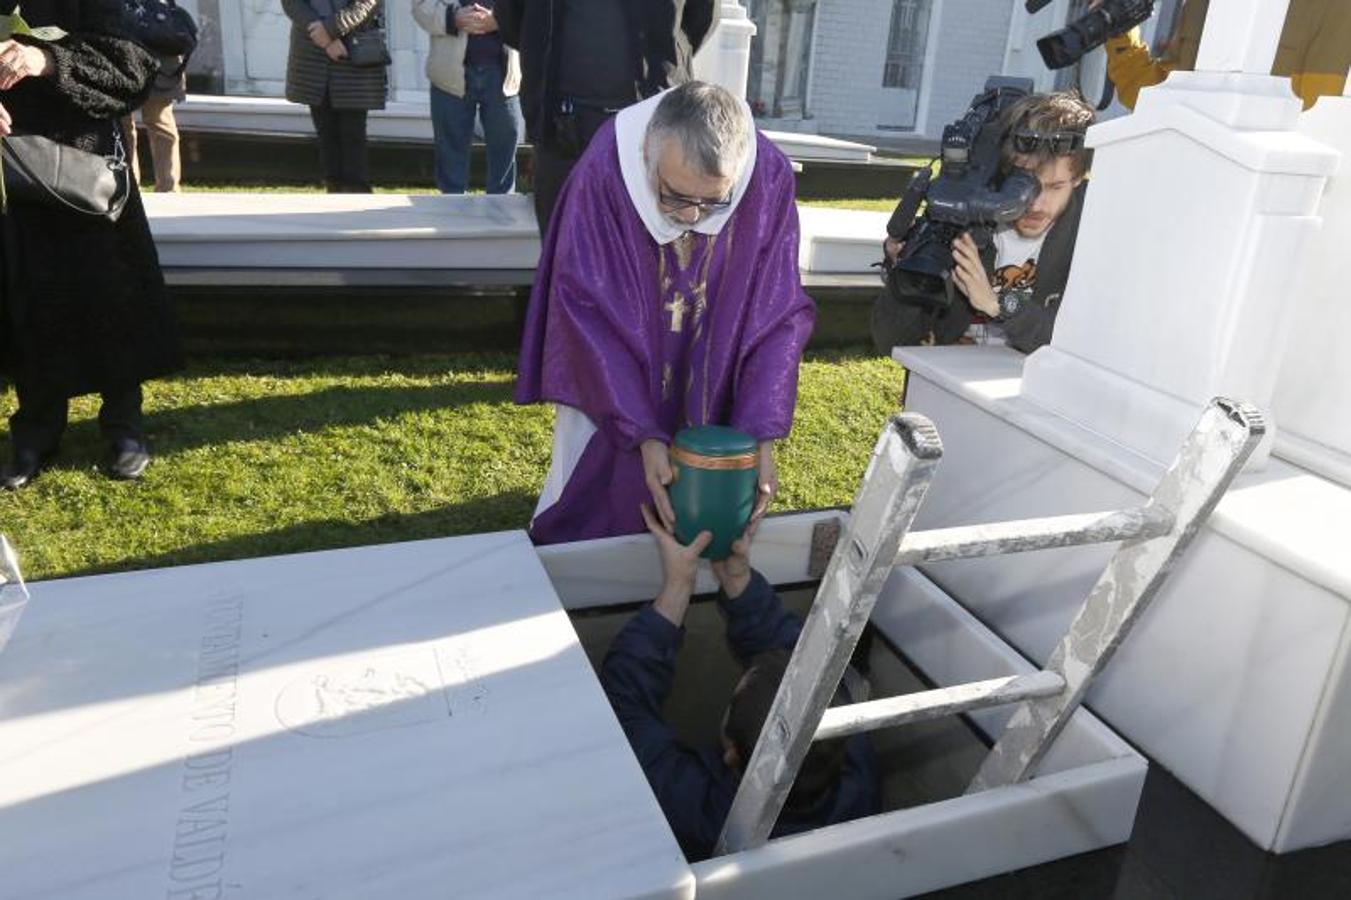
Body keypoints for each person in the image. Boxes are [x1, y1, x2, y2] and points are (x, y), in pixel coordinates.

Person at [514, 81, 816, 544]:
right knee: (598, 489)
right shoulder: (604, 171)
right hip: (620, 369)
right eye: (675, 196)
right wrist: (641, 432)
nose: (693, 218)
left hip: (715, 357)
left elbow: (777, 315)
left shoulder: (768, 177)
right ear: (647, 154)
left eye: (714, 201)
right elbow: (585, 309)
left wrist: (761, 433)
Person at [600, 509, 880, 861]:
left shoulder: (694, 809)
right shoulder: (857, 771)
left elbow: (622, 703)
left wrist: (677, 586)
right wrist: (739, 581)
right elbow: (801, 661)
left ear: (730, 752)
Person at [0, 0, 182, 489]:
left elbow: (131, 71)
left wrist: (48, 61)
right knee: (27, 298)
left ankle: (124, 426)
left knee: (109, 295)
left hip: (87, 173)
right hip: (10, 169)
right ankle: (36, 429)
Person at [872, 91, 1093, 355]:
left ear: (1078, 178)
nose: (1036, 204)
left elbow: (1082, 344)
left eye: (1055, 187)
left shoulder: (1091, 229)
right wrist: (906, 272)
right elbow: (891, 341)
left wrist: (997, 303)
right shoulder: (963, 214)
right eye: (1022, 187)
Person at [494, 0, 717, 231]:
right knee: (564, 254)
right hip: (562, 130)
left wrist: (664, 61)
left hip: (655, 130)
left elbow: (701, 17)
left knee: (646, 257)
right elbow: (513, 20)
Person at [1101, 0, 1351, 110]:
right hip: (1188, 169)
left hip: (1274, 193)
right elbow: (1154, 96)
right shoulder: (1205, 5)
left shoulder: (1339, 10)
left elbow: (1315, 122)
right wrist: (1117, 28)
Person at [411, 0, 524, 194]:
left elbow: (532, 10)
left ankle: (501, 219)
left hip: (504, 77)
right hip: (449, 76)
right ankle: (452, 219)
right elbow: (420, 7)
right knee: (451, 161)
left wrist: (499, 20)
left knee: (504, 156)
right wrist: (452, 17)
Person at [282, 0, 388, 193]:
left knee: (353, 133)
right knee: (326, 132)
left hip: (353, 48)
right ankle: (334, 193)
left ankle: (357, 197)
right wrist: (323, 37)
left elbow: (366, 3)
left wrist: (330, 30)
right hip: (312, 50)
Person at [121, 53, 186, 193]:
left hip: (157, 58)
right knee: (157, 124)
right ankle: (165, 186)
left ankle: (165, 186)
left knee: (128, 126)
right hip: (156, 57)